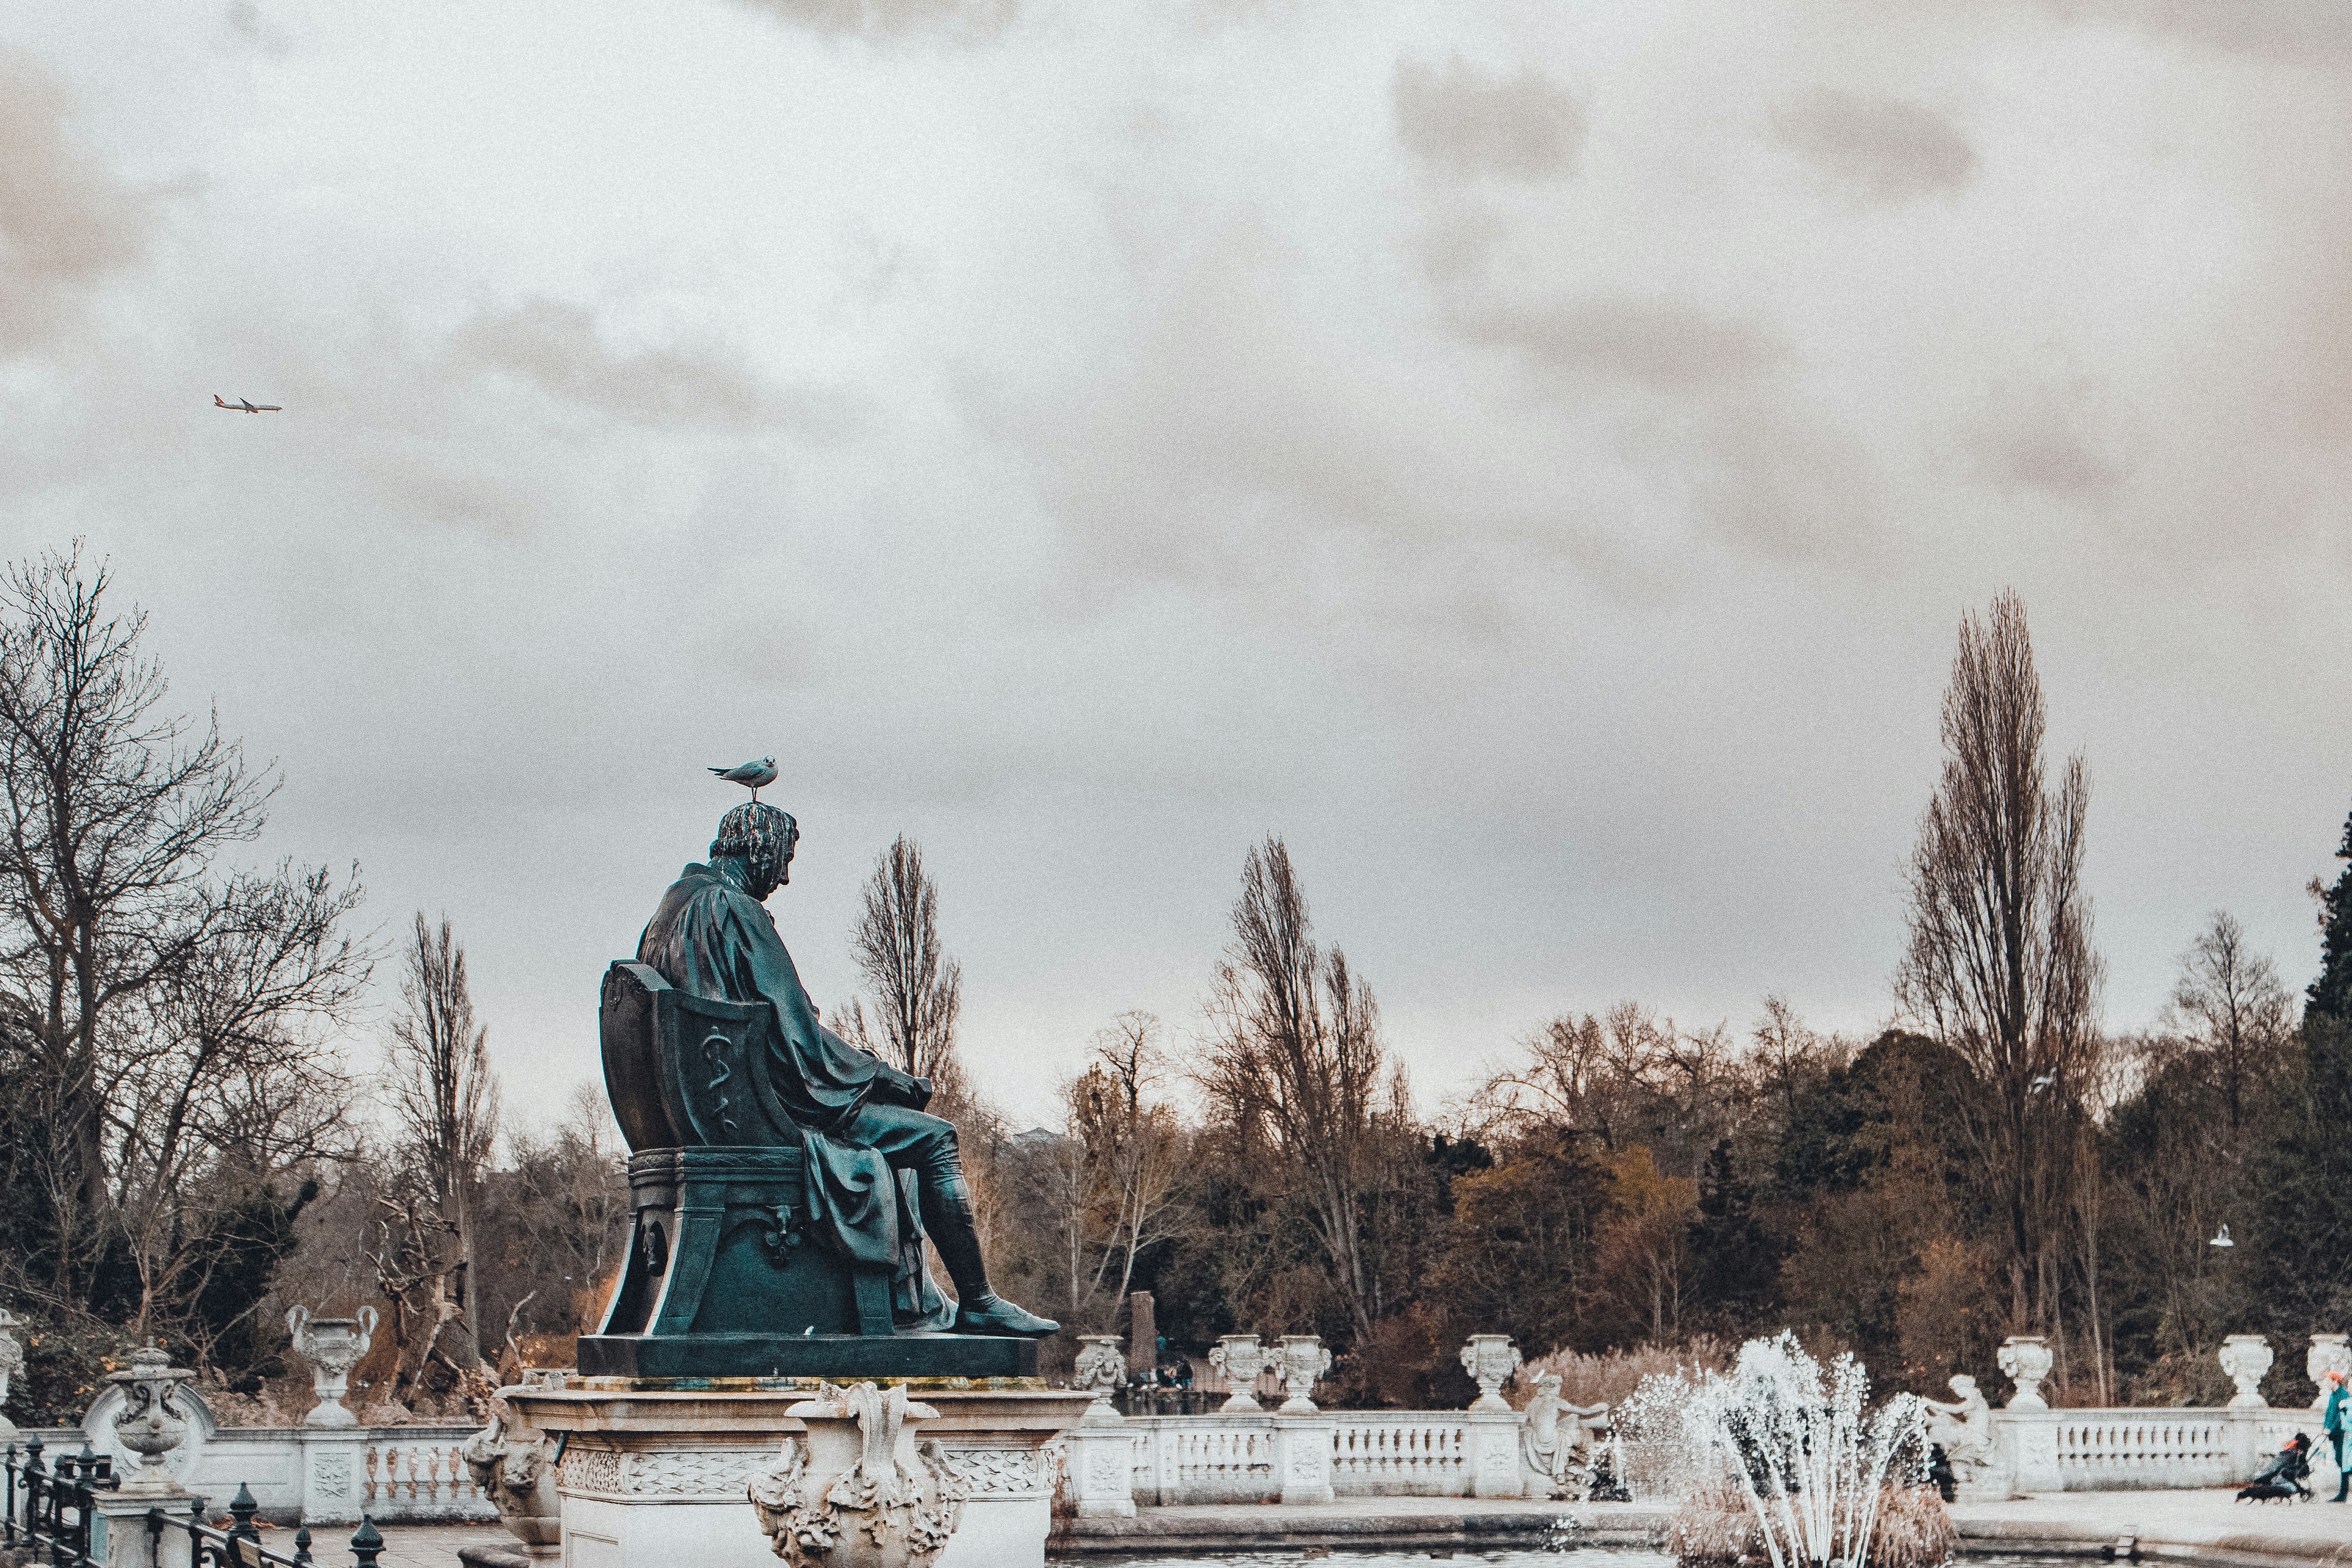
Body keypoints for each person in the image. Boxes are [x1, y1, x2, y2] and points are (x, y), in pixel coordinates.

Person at [638, 801, 1057, 1337]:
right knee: (935, 1140)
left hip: (717, 1114)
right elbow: (797, 1035)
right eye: (783, 858)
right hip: (770, 1113)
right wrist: (885, 1077)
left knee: (898, 1132)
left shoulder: (668, 915)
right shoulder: (734, 909)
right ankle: (977, 1301)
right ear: (759, 848)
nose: (784, 875)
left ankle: (916, 1299)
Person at [2324, 1369, 2349, 1502]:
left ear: (2335, 1381)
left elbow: (2341, 1416)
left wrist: (2331, 1428)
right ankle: (2343, 1494)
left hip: (2342, 1434)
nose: (2326, 1382)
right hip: (2335, 1434)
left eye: (2328, 1380)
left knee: (2343, 1461)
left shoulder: (2343, 1395)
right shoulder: (2333, 1395)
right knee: (2341, 1461)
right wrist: (2325, 1427)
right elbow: (2329, 1413)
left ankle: (2343, 1495)